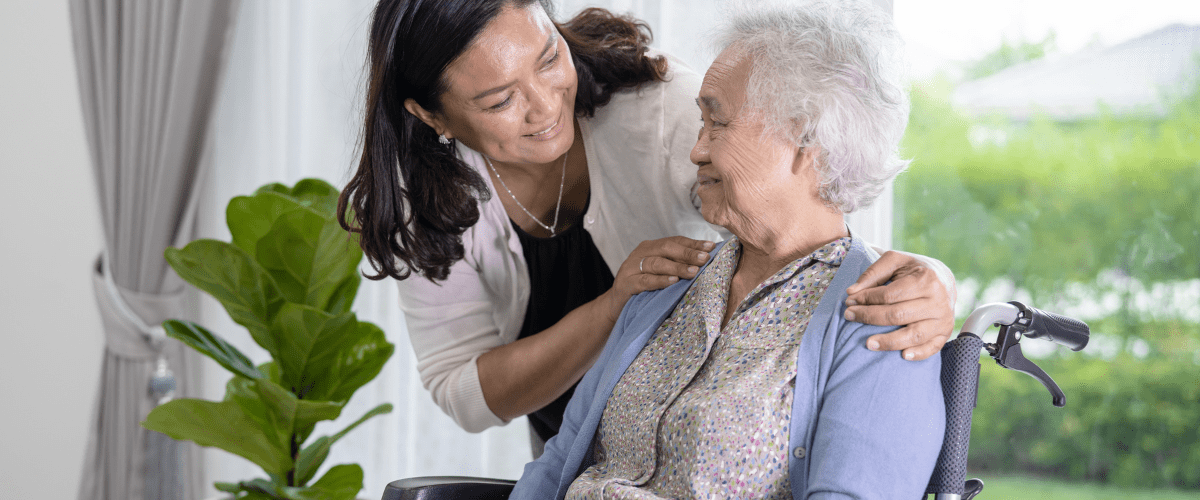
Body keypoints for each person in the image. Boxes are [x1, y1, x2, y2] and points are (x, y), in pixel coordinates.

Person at [337, 0, 955, 453]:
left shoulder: (664, 112)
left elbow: (816, 207)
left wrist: (931, 283)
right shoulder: (423, 196)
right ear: (430, 115)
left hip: (706, 450)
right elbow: (464, 391)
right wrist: (613, 309)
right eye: (500, 101)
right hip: (583, 457)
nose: (546, 104)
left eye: (550, 57)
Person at [511, 1, 943, 497]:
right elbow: (559, 461)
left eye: (718, 123)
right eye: (701, 123)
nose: (697, 149)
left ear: (806, 141)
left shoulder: (881, 319)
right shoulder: (667, 282)